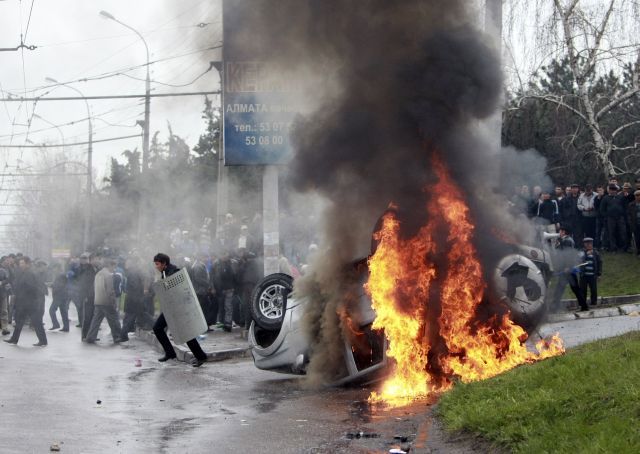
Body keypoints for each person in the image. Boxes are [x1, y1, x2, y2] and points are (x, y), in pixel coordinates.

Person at [152, 253, 208, 367]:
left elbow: (180, 291)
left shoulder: (175, 272)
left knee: (185, 333)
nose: (156, 266)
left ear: (164, 263)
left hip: (179, 307)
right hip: (171, 308)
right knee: (158, 328)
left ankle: (201, 356)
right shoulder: (164, 273)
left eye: (157, 264)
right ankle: (170, 353)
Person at [4, 257, 47, 346]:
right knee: (19, 321)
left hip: (30, 303)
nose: (21, 265)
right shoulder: (23, 273)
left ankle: (43, 341)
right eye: (20, 263)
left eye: (22, 263)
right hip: (24, 302)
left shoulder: (30, 274)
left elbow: (32, 288)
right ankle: (14, 339)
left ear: (28, 264)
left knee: (37, 322)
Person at [84, 258, 122, 344]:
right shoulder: (108, 275)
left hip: (98, 300)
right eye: (114, 266)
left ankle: (90, 337)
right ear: (110, 265)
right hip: (106, 302)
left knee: (96, 321)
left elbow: (94, 288)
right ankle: (118, 336)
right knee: (114, 319)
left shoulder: (98, 274)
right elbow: (110, 291)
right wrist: (114, 303)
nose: (114, 269)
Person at [551, 226, 583, 311]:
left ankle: (554, 308)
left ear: (564, 232)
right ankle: (584, 305)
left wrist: (567, 266)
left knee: (561, 290)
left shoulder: (568, 241)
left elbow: (568, 255)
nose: (559, 233)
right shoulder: (565, 240)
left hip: (567, 269)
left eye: (560, 231)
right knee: (573, 289)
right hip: (566, 269)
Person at [599, 184, 628, 252]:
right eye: (611, 190)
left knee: (622, 232)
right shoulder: (605, 198)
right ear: (609, 191)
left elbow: (625, 206)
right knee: (611, 233)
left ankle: (623, 248)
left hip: (620, 217)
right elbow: (602, 209)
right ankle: (613, 248)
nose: (613, 191)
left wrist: (623, 214)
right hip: (610, 218)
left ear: (616, 190)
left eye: (614, 190)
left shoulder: (621, 197)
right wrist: (606, 215)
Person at [578, 238, 602, 311]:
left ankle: (593, 303)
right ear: (584, 244)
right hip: (583, 275)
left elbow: (600, 263)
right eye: (587, 243)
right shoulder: (582, 252)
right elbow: (579, 260)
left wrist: (599, 274)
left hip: (592, 275)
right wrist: (586, 254)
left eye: (590, 243)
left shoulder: (596, 253)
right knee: (582, 290)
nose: (588, 245)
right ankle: (582, 304)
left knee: (594, 289)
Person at [48, 263, 70, 331]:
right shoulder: (61, 275)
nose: (53, 270)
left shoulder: (60, 275)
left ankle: (56, 324)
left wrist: (52, 285)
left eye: (54, 268)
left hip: (59, 296)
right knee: (63, 311)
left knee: (51, 310)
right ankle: (66, 327)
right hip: (63, 295)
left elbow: (60, 285)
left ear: (57, 268)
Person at [629, 190, 640, 256]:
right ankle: (638, 252)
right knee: (637, 239)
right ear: (635, 196)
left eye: (639, 195)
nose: (639, 196)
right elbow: (629, 215)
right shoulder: (631, 205)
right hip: (635, 224)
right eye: (637, 195)